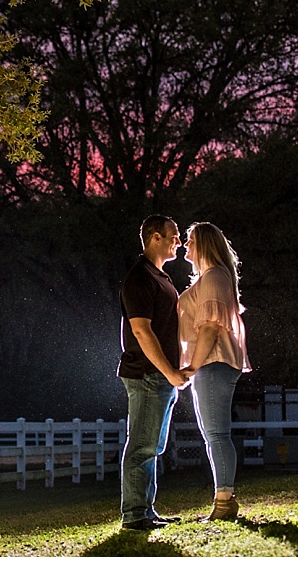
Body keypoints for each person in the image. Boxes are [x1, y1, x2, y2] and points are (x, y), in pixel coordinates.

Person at [117, 215, 191, 531]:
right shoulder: (140, 278)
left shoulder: (159, 277)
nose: (179, 242)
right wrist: (169, 372)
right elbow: (142, 331)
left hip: (158, 376)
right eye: (174, 237)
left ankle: (145, 510)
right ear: (155, 237)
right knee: (143, 447)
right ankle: (134, 515)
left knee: (153, 446)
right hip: (147, 374)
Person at [178, 221, 251, 522]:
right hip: (213, 364)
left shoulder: (213, 278)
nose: (185, 245)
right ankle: (224, 498)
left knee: (217, 433)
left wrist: (192, 366)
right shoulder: (214, 277)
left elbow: (209, 328)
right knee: (215, 433)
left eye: (190, 240)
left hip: (213, 363)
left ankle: (224, 502)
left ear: (204, 244)